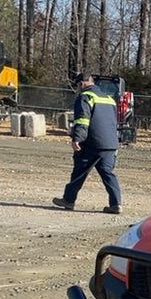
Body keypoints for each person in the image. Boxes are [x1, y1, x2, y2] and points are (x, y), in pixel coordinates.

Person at [53, 73, 122, 214]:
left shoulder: (85, 97)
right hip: (110, 143)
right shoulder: (109, 99)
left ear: (82, 83)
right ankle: (116, 204)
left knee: (79, 172)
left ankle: (68, 200)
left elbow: (82, 120)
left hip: (92, 142)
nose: (78, 88)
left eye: (77, 85)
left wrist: (77, 137)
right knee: (108, 173)